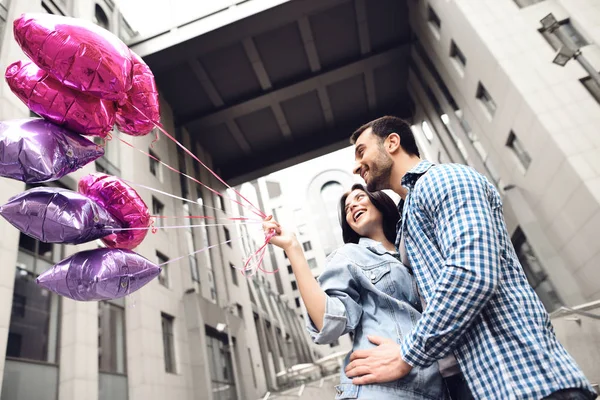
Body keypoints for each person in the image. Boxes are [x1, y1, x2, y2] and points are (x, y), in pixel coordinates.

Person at [344, 115, 597, 400]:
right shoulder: (407, 218)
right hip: (471, 383)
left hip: (524, 383)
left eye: (361, 151)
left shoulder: (444, 179)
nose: (355, 166)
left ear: (392, 142)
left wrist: (407, 354)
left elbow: (472, 273)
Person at [263, 184, 446, 400]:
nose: (352, 207)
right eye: (347, 208)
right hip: (380, 389)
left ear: (379, 201)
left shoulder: (415, 248)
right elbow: (328, 323)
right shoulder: (350, 256)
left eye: (360, 197)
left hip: (436, 388)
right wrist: (293, 248)